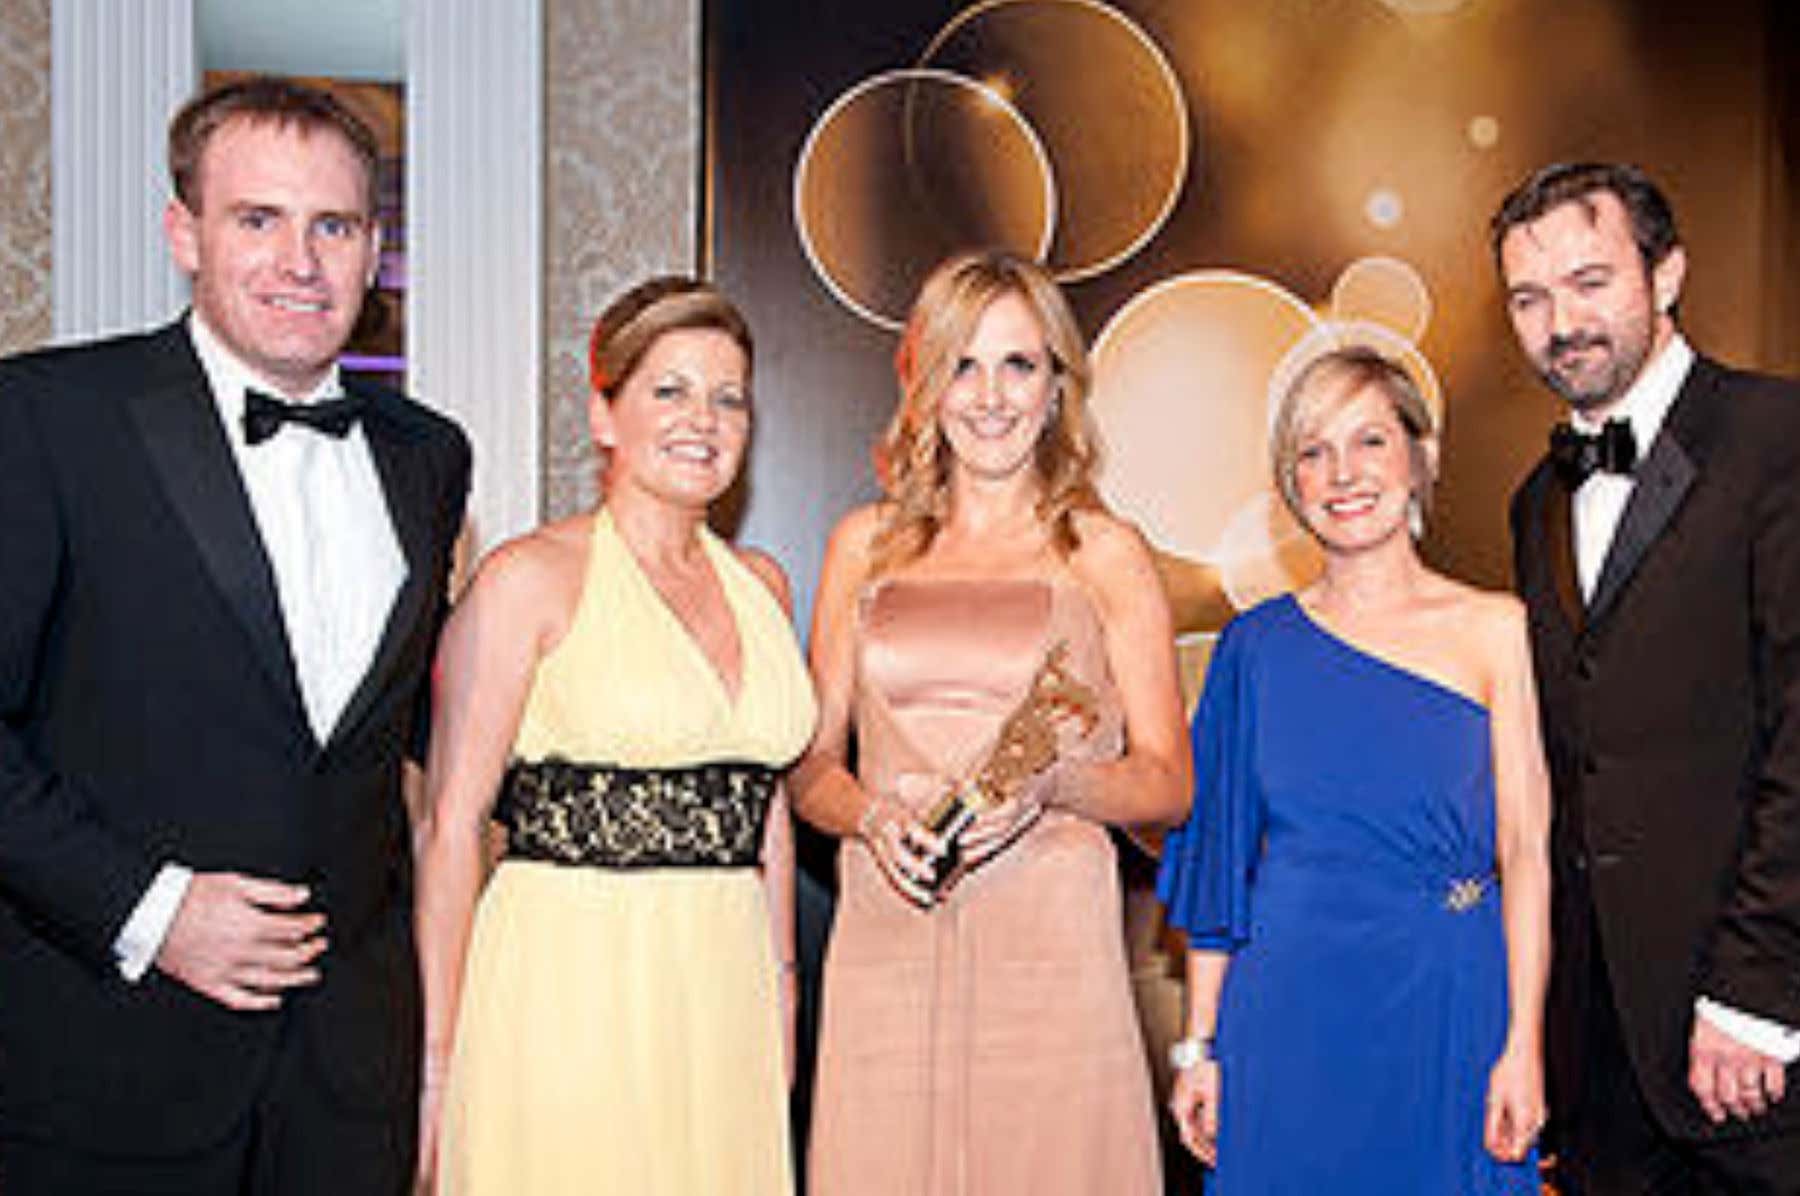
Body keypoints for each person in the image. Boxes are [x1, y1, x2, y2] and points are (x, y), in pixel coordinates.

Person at [0, 77, 470, 1194]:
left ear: (375, 253)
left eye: (334, 226)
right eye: (258, 218)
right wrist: (150, 909)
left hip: (347, 1082)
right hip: (106, 1060)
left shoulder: (428, 455)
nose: (300, 261)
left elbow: (411, 727)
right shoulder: (46, 417)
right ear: (185, 235)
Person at [792, 248, 1190, 1194]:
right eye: (963, 365)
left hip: (1053, 949)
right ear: (927, 386)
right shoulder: (862, 546)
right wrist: (872, 819)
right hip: (887, 940)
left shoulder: (1105, 553)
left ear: (1057, 388)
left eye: (1019, 364)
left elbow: (1170, 783)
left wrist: (1055, 783)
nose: (991, 396)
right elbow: (810, 769)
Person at [414, 276, 816, 1194]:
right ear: (604, 415)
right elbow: (450, 827)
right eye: (669, 390)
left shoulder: (762, 584)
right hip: (569, 984)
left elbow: (764, 809)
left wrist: (782, 983)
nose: (703, 420)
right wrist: (438, 1064)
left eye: (729, 398)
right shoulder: (527, 579)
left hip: (724, 989)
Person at [1158, 346, 1551, 1192]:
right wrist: (1200, 1047)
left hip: (1449, 1005)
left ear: (1421, 457)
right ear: (1291, 482)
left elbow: (1526, 854)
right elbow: (1220, 872)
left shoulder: (1497, 630)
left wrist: (1525, 1041)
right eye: (1314, 451)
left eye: (1370, 440)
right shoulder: (1253, 649)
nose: (1343, 473)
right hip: (1287, 1018)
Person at [1495, 160, 1800, 1193]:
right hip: (1603, 1062)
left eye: (1590, 282)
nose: (1561, 324)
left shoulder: (1777, 438)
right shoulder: (1534, 502)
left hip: (1754, 1040)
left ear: (1666, 275)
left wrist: (1757, 993)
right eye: (1529, 299)